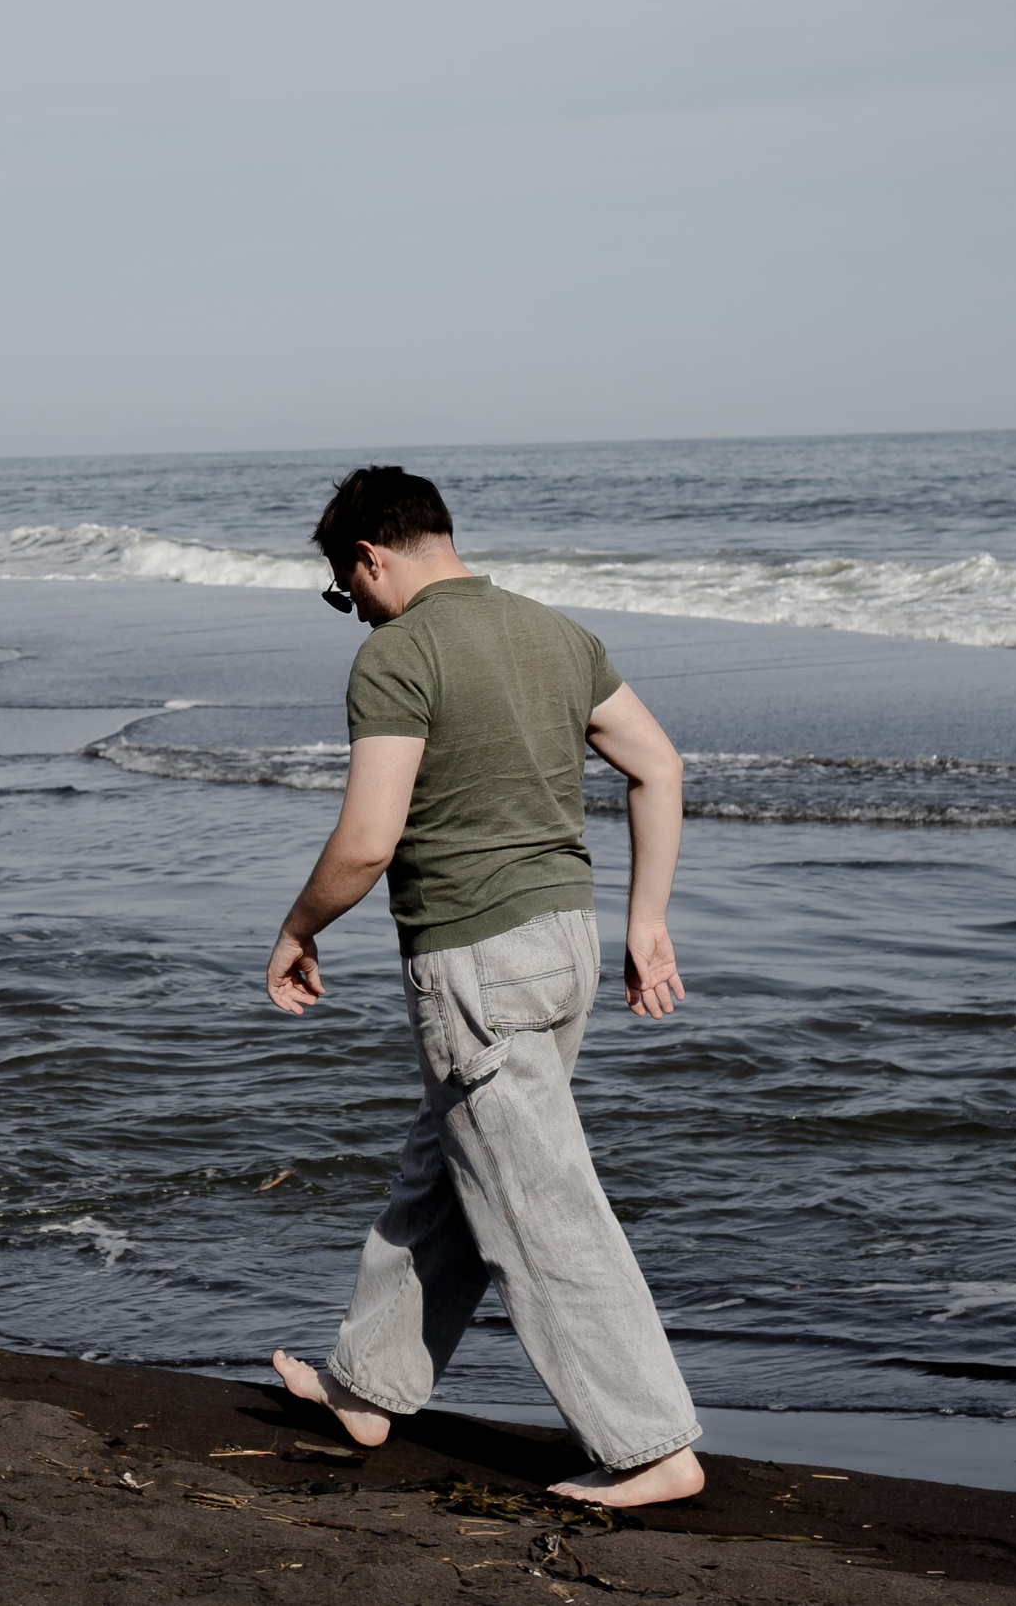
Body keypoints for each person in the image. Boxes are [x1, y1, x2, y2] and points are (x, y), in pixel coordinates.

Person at [262, 466, 703, 1508]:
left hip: (476, 961)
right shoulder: (557, 634)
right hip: (567, 944)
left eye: (345, 589)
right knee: (454, 1165)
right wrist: (647, 922)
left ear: (368, 556)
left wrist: (296, 928)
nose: (354, 609)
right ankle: (368, 1385)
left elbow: (368, 841)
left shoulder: (398, 654)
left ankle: (650, 1446)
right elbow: (661, 768)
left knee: (539, 1207)